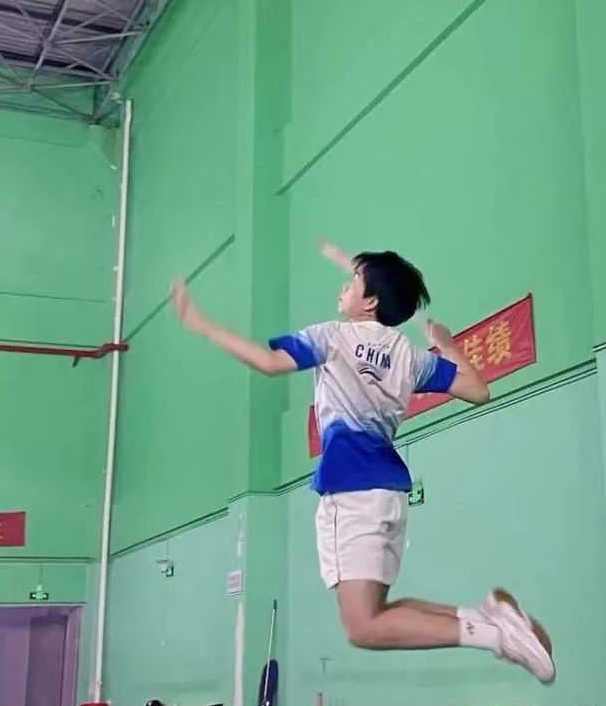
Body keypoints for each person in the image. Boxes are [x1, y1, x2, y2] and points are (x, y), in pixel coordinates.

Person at [170, 243, 554, 683]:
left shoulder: (332, 337)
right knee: (380, 611)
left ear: (370, 301)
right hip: (388, 493)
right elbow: (477, 390)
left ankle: (497, 637)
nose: (344, 287)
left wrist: (201, 324)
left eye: (353, 282)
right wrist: (448, 346)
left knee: (363, 627)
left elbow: (269, 362)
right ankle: (487, 617)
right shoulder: (409, 355)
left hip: (351, 490)